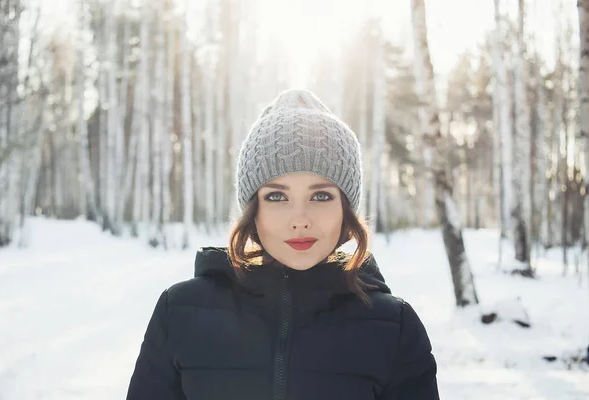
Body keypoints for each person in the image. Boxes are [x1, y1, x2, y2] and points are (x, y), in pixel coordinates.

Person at [126, 89, 439, 400]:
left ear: (345, 210)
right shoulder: (179, 312)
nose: (299, 219)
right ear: (253, 210)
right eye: (277, 196)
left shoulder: (393, 327)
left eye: (320, 196)